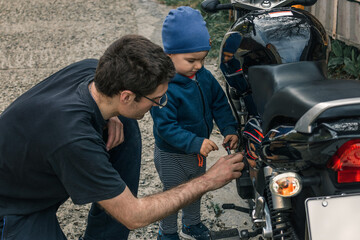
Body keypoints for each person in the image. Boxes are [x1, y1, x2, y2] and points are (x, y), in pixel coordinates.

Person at [0, 34, 245, 240]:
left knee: (125, 123)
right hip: (13, 207)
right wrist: (209, 180)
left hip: (30, 169)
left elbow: (108, 99)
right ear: (127, 96)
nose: (161, 104)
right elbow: (134, 216)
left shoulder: (91, 71)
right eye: (157, 99)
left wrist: (112, 115)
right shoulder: (73, 137)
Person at [150, 7, 239, 240]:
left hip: (197, 150)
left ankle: (192, 224)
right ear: (169, 55)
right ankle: (167, 232)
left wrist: (229, 128)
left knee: (196, 189)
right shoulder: (163, 88)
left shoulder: (203, 77)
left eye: (203, 59)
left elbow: (219, 103)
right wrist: (194, 142)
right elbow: (165, 127)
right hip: (172, 153)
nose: (198, 65)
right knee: (173, 195)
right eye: (191, 60)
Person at [220, 33, 258, 117]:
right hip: (242, 92)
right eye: (225, 55)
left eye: (229, 56)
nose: (225, 58)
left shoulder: (241, 60)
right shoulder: (228, 62)